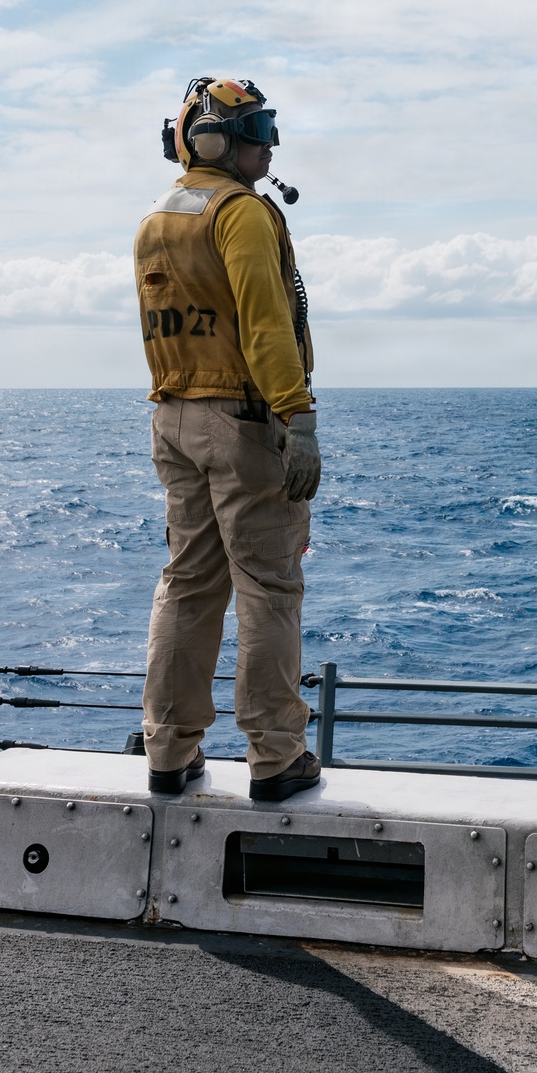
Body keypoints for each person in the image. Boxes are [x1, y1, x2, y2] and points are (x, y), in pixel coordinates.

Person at [133, 76, 321, 802]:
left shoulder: (158, 216)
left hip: (173, 418)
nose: (269, 144)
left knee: (187, 584)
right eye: (257, 129)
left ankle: (169, 752)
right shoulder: (240, 213)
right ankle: (276, 756)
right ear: (213, 138)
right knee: (269, 588)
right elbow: (266, 324)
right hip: (243, 422)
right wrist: (297, 418)